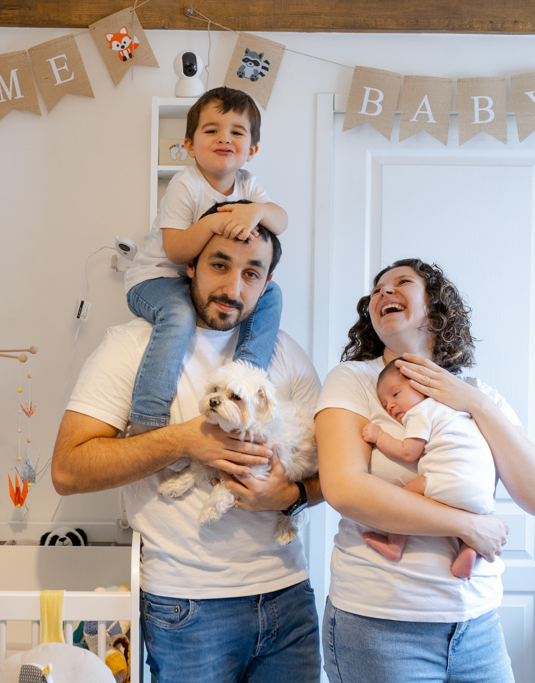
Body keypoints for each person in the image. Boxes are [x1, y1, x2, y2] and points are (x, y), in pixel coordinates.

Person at [53, 217, 322, 682]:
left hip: (288, 596)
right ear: (190, 266)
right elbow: (68, 470)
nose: (233, 287)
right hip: (187, 606)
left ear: (267, 283)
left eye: (251, 273)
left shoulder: (288, 354)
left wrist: (292, 496)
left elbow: (332, 471)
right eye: (219, 264)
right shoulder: (130, 347)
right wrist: (185, 440)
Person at [315, 258, 535, 683]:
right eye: (377, 289)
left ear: (436, 305)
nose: (383, 292)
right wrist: (470, 526)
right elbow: (345, 489)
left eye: (401, 282)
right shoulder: (353, 380)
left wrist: (474, 403)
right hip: (381, 625)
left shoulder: (480, 395)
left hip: (478, 623)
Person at [124, 86, 288, 430]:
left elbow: (282, 221)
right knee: (179, 315)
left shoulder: (248, 185)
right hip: (155, 279)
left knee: (272, 294)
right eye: (211, 130)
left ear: (252, 150)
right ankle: (148, 416)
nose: (224, 138)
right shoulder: (186, 184)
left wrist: (258, 212)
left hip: (196, 278)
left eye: (237, 132)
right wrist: (211, 223)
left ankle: (243, 378)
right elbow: (176, 251)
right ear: (189, 145)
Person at [360, 360, 498, 580]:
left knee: (404, 497)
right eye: (384, 404)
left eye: (396, 394)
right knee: (466, 511)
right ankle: (469, 549)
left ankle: (395, 544)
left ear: (422, 386)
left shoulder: (421, 410)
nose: (390, 406)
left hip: (451, 481)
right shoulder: (455, 409)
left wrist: (380, 436)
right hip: (483, 496)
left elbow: (408, 452)